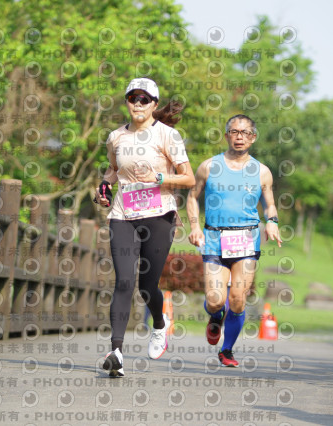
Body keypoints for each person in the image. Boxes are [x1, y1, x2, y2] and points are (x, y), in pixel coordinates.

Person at [94, 78, 195, 377]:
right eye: (132, 98)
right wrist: (103, 186)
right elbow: (113, 170)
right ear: (126, 101)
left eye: (144, 99)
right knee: (124, 281)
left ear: (153, 104)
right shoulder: (115, 137)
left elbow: (188, 178)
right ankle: (116, 351)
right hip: (122, 215)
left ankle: (159, 326)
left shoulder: (168, 135)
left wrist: (162, 180)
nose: (137, 104)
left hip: (159, 215)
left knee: (146, 285)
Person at [187, 114, 282, 367]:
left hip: (246, 240)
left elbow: (270, 205)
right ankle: (215, 316)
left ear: (253, 138)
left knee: (238, 299)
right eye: (234, 132)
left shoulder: (262, 172)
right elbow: (192, 196)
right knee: (216, 299)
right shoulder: (209, 166)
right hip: (215, 237)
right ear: (226, 135)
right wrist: (195, 227)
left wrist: (272, 223)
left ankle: (227, 350)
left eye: (244, 133)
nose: (239, 137)